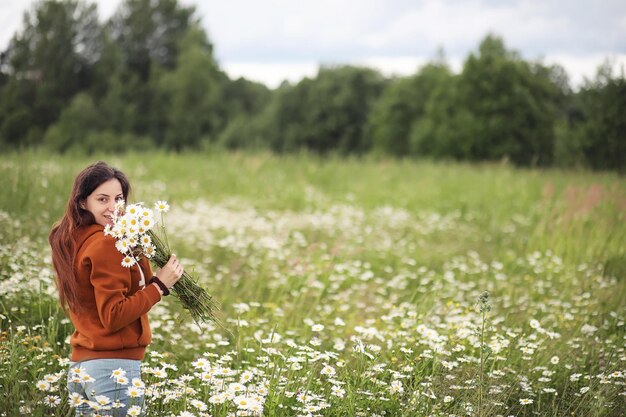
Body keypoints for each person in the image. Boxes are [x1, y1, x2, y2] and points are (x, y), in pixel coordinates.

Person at [49, 161, 183, 416]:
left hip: (83, 367)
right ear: (82, 202)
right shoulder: (105, 243)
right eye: (102, 199)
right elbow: (113, 315)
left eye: (119, 199)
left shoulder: (76, 238)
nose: (114, 208)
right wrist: (160, 285)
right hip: (112, 372)